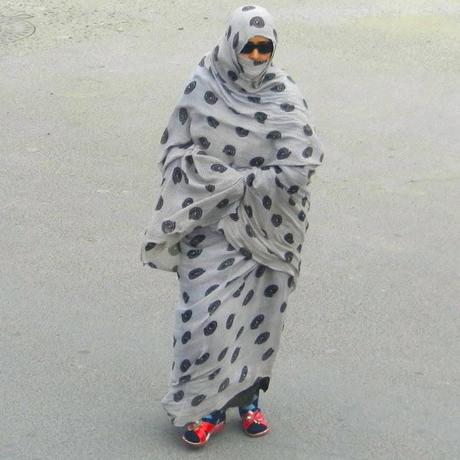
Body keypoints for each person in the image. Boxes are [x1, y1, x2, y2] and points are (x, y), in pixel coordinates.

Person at [140, 4, 324, 447]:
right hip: (209, 221)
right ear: (231, 42)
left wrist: (244, 184)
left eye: (265, 48)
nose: (256, 57)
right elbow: (173, 150)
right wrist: (214, 184)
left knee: (260, 313)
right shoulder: (202, 84)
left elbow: (303, 161)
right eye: (249, 47)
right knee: (203, 315)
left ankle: (248, 399)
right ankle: (203, 406)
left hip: (268, 227)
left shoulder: (283, 93)